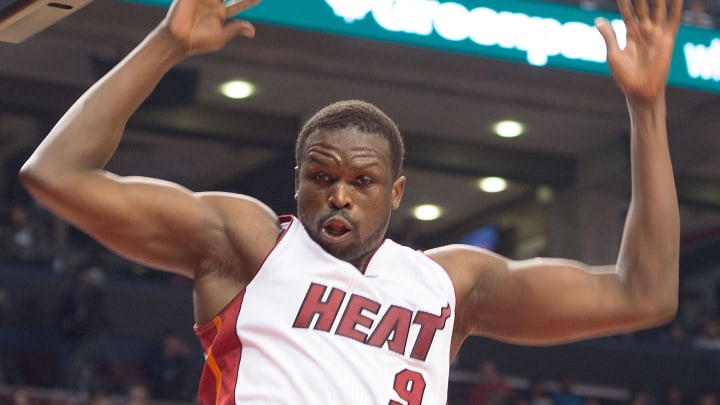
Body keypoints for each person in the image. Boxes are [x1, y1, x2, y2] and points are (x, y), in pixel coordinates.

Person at [18, 0, 682, 402]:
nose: (338, 193)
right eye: (321, 175)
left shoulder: (449, 283)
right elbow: (56, 174)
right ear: (298, 180)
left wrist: (646, 110)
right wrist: (166, 45)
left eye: (361, 182)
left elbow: (644, 293)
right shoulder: (248, 243)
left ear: (394, 193)